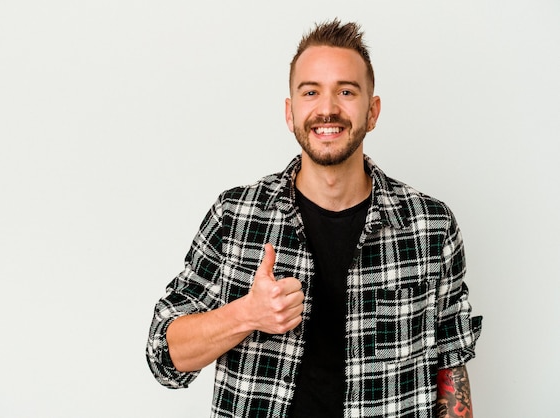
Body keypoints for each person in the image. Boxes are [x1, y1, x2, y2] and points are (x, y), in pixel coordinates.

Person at [146, 19, 482, 418]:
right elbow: (165, 357)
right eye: (311, 92)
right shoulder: (234, 216)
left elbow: (450, 365)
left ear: (372, 111)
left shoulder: (431, 226)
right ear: (290, 113)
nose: (327, 109)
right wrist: (246, 314)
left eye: (346, 91)